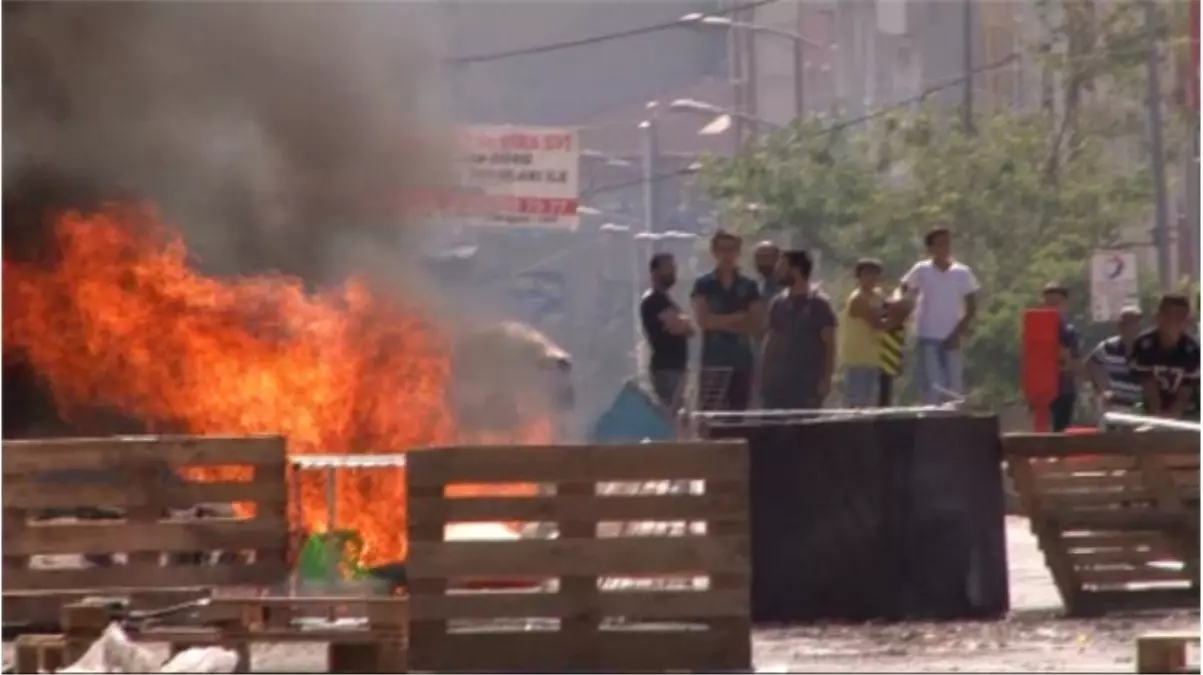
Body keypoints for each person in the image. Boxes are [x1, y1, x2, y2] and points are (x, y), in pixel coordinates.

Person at [898, 226, 980, 405]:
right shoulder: (922, 269)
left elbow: (972, 306)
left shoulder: (962, 272)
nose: (945, 248)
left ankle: (953, 425)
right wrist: (905, 306)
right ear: (931, 249)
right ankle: (933, 423)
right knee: (933, 386)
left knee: (954, 387)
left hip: (952, 336)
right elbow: (905, 288)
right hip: (928, 334)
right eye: (940, 244)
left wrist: (958, 333)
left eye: (948, 243)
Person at [691, 230, 763, 411]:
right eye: (722, 249)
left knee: (738, 413)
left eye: (731, 249)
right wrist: (737, 318)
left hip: (741, 360)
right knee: (710, 413)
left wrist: (720, 322)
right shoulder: (704, 285)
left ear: (738, 252)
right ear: (714, 252)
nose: (727, 255)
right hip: (714, 360)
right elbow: (703, 321)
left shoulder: (749, 286)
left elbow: (754, 322)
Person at [760, 249, 837, 409]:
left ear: (795, 270)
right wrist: (764, 375)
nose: (777, 271)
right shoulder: (778, 303)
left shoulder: (819, 304)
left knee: (805, 431)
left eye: (782, 266)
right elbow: (772, 340)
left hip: (808, 382)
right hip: (779, 382)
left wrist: (826, 379)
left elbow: (830, 344)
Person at [1129, 293, 1200, 420]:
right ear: (1159, 317)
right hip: (1147, 407)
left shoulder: (1193, 350)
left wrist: (1174, 415)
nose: (1176, 322)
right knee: (1134, 408)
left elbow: (1186, 391)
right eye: (1170, 316)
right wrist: (1157, 415)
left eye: (1181, 317)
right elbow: (1148, 385)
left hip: (1186, 412)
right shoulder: (1144, 345)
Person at [639, 253, 694, 409]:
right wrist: (681, 322)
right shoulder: (652, 301)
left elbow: (689, 329)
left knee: (679, 411)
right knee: (670, 412)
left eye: (673, 268)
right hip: (666, 368)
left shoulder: (667, 301)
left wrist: (683, 323)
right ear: (655, 272)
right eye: (667, 268)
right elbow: (678, 326)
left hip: (677, 367)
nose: (672, 272)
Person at [840, 258, 886, 407]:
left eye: (875, 274)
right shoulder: (857, 299)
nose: (871, 278)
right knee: (855, 403)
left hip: (873, 358)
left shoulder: (878, 295)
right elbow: (877, 323)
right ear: (858, 277)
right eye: (867, 274)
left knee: (869, 403)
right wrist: (898, 315)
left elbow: (888, 309)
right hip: (857, 358)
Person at [1086, 305, 1144, 414]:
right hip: (1114, 404)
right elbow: (1091, 365)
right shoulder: (1108, 347)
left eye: (1134, 323)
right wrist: (1102, 390)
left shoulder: (1148, 348)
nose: (1129, 327)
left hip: (1140, 405)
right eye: (1124, 323)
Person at [1040, 282, 1081, 431]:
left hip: (1063, 390)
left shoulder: (1069, 331)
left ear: (1065, 304)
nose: (1051, 308)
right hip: (1040, 389)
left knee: (1060, 433)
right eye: (1048, 303)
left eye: (1055, 303)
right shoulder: (1035, 329)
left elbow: (1075, 365)